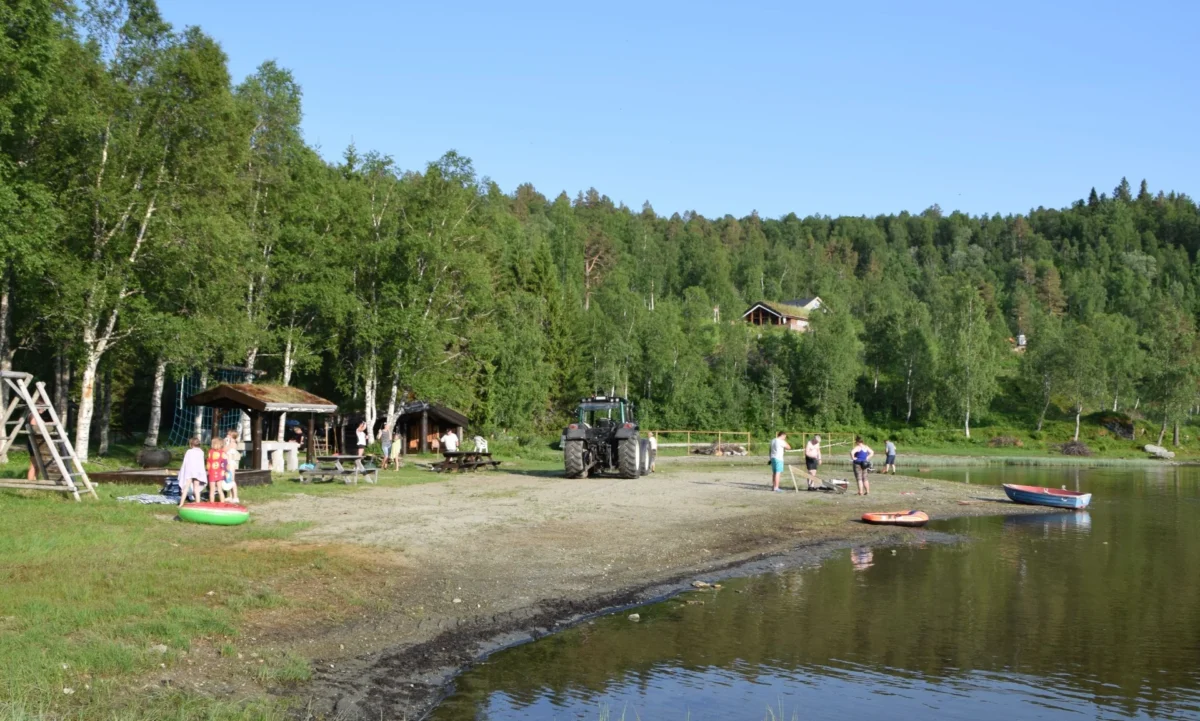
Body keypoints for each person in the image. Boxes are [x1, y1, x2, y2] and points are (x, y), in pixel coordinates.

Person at [177, 438, 207, 507]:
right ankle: (198, 504)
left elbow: (186, 462)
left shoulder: (189, 451)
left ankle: (181, 504)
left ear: (191, 444)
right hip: (198, 472)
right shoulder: (201, 452)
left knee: (186, 487)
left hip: (189, 472)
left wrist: (182, 472)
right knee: (196, 489)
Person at [206, 437, 228, 503]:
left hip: (212, 473)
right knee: (220, 490)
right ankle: (222, 503)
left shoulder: (210, 452)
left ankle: (212, 503)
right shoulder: (223, 453)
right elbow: (226, 463)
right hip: (220, 473)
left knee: (212, 491)